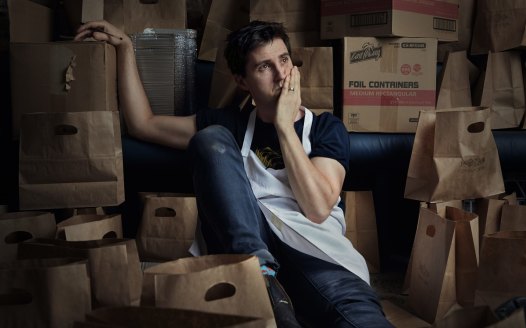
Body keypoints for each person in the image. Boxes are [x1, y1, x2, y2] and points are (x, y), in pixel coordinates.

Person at [75, 20, 394, 328]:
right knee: (209, 139)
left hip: (319, 258)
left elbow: (317, 207)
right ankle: (263, 286)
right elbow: (142, 124)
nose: (281, 74)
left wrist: (284, 127)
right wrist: (126, 49)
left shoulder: (326, 128)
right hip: (250, 257)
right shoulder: (230, 123)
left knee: (363, 319)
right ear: (242, 81)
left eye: (284, 60)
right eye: (264, 67)